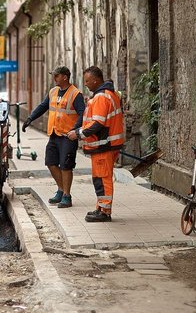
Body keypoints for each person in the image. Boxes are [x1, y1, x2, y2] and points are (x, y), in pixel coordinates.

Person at [22, 66, 85, 208]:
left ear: (65, 77)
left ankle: (67, 196)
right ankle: (61, 190)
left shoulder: (75, 94)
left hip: (68, 136)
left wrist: (76, 130)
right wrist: (30, 118)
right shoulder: (53, 91)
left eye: (56, 76)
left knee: (66, 165)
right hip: (54, 134)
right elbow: (43, 106)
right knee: (50, 163)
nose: (54, 78)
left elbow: (83, 114)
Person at [68, 66, 124, 222]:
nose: (85, 84)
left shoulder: (100, 97)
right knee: (100, 177)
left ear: (95, 79)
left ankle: (105, 211)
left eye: (87, 81)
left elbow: (97, 124)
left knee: (102, 178)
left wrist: (78, 133)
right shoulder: (109, 94)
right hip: (107, 144)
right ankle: (101, 207)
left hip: (103, 145)